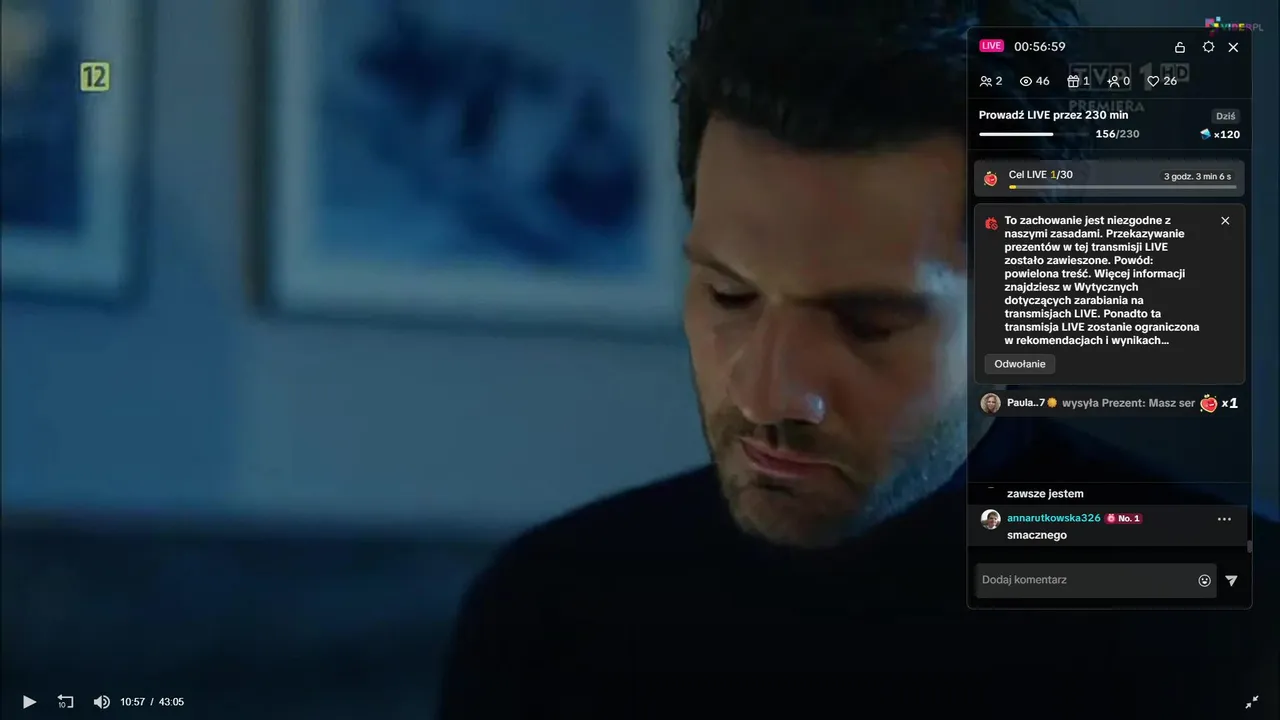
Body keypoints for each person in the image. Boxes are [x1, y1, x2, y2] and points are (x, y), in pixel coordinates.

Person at [440, 2, 1277, 717]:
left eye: (868, 323)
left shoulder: (1233, 624)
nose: (769, 394)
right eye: (730, 296)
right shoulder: (548, 620)